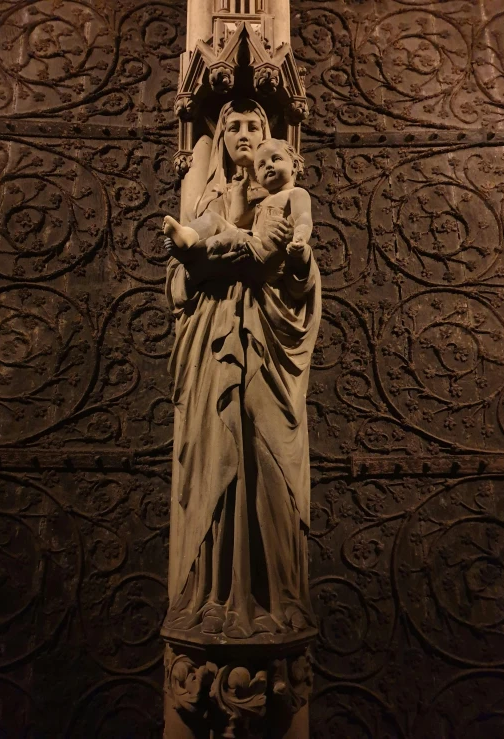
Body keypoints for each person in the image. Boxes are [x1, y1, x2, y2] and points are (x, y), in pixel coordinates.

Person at [163, 99, 321, 640]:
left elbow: (299, 270)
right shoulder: (213, 195)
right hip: (215, 346)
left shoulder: (286, 198)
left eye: (256, 125)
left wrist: (293, 264)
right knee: (217, 457)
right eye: (233, 126)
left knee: (270, 465)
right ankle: (210, 597)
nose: (246, 135)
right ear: (220, 134)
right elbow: (180, 282)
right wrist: (213, 236)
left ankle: (280, 598)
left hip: (269, 349)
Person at [163, 138, 312, 281]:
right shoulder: (265, 201)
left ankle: (192, 254)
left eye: (276, 158)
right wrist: (239, 190)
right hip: (255, 244)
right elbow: (238, 220)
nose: (268, 165)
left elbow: (303, 217)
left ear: (294, 164)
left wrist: (300, 238)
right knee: (214, 219)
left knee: (232, 238)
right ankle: (188, 236)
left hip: (268, 255)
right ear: (258, 178)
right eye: (261, 165)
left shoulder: (296, 193)